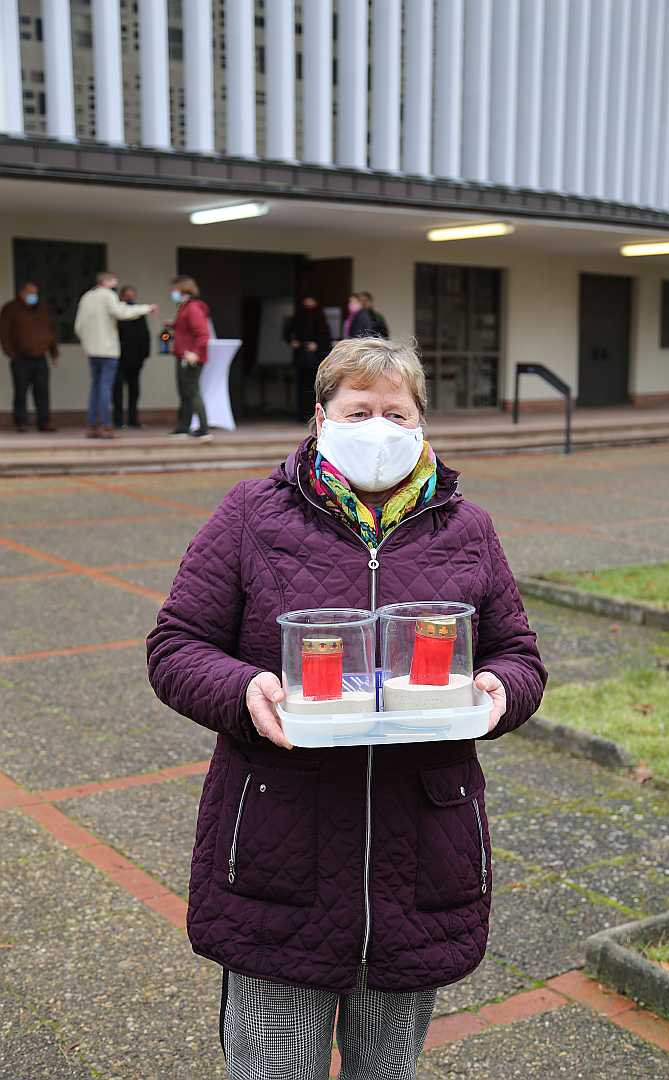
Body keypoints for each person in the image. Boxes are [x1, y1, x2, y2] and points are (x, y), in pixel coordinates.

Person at [147, 336, 547, 1080]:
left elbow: (518, 654)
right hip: (280, 846)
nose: (380, 428)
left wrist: (499, 691)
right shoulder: (252, 515)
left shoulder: (468, 528)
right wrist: (243, 690)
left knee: (387, 1070)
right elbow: (176, 646)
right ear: (321, 417)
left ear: (423, 424)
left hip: (421, 855)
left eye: (398, 412)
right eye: (359, 409)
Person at [74, 271, 156, 439]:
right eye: (114, 281)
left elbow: (79, 326)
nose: (116, 284)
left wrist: (87, 344)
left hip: (92, 351)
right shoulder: (108, 295)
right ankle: (106, 425)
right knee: (105, 387)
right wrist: (146, 309)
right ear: (106, 282)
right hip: (108, 350)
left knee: (95, 387)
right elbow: (120, 312)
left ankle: (92, 425)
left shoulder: (86, 297)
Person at [0, 281, 59, 432]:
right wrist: (11, 353)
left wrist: (54, 353)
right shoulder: (11, 309)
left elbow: (51, 331)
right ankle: (21, 422)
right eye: (30, 293)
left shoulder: (43, 309)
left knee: (42, 391)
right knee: (20, 391)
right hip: (20, 358)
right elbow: (4, 333)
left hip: (40, 357)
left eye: (35, 293)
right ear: (22, 293)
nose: (33, 296)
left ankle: (44, 421)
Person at [168, 275, 213, 440]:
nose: (172, 292)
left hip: (191, 357)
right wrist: (171, 325)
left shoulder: (193, 308)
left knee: (192, 391)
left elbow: (203, 333)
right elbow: (185, 329)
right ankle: (183, 427)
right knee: (185, 392)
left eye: (174, 289)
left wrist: (195, 352)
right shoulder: (185, 307)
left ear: (182, 289)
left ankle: (203, 428)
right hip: (184, 355)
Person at [284, 296, 331, 422]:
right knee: (301, 386)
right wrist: (293, 342)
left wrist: (317, 345)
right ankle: (302, 414)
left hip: (316, 358)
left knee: (314, 386)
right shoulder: (298, 317)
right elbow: (288, 333)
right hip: (301, 357)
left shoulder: (320, 319)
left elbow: (326, 337)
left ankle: (313, 414)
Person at [112, 285, 151, 429]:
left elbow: (145, 335)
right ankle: (118, 420)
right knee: (117, 391)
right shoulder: (118, 312)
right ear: (121, 297)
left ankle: (133, 419)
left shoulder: (138, 312)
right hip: (119, 357)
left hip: (136, 358)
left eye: (132, 296)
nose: (130, 299)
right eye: (127, 296)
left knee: (134, 390)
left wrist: (145, 354)